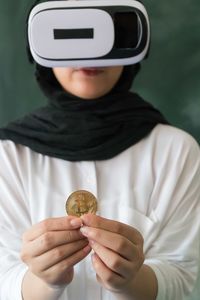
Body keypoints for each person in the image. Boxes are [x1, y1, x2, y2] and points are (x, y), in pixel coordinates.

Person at [0, 4, 200, 300]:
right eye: (69, 33)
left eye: (110, 30)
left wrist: (130, 282)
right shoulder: (9, 156)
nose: (89, 54)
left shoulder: (176, 151)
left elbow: (182, 275)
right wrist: (45, 282)